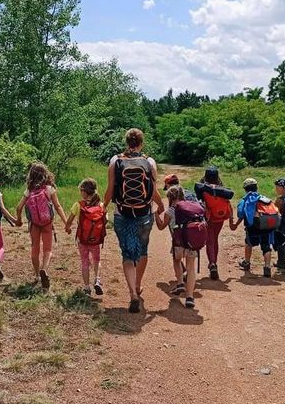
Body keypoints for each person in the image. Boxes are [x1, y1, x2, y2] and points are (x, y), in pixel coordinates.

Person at [103, 128, 165, 313]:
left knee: (127, 254)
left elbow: (110, 189)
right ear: (141, 143)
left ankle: (132, 294)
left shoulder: (116, 161)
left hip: (122, 214)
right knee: (143, 250)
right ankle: (137, 285)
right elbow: (153, 191)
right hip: (144, 214)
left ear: (126, 142)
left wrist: (103, 205)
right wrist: (160, 206)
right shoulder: (149, 162)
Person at [15, 162, 68, 290]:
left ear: (31, 175)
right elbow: (58, 206)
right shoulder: (49, 189)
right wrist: (66, 222)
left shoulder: (29, 190)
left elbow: (19, 207)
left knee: (35, 249)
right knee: (48, 250)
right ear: (45, 174)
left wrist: (19, 220)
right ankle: (44, 269)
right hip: (47, 223)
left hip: (34, 224)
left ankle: (37, 275)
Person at [154, 186, 197, 308]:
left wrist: (156, 215)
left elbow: (161, 226)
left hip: (178, 243)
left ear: (171, 197)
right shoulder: (191, 207)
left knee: (177, 260)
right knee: (191, 269)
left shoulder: (170, 211)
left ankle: (180, 283)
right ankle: (189, 297)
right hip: (191, 243)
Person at [64, 178, 106, 296]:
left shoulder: (78, 205)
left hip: (82, 240)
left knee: (85, 262)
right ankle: (97, 280)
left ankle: (87, 287)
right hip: (96, 240)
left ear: (84, 191)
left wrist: (67, 228)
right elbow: (105, 220)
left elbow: (69, 220)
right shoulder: (101, 205)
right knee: (97, 260)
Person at [194, 167, 235, 280]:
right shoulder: (222, 190)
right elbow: (228, 204)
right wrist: (231, 219)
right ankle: (213, 262)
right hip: (219, 218)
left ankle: (212, 263)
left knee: (209, 241)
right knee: (215, 239)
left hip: (208, 218)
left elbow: (198, 202)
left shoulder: (202, 188)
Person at [232, 178, 277, 278]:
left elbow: (241, 214)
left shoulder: (245, 199)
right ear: (256, 187)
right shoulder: (264, 198)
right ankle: (267, 267)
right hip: (266, 225)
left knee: (249, 243)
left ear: (245, 189)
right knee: (266, 246)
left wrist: (236, 224)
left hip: (252, 226)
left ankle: (247, 263)